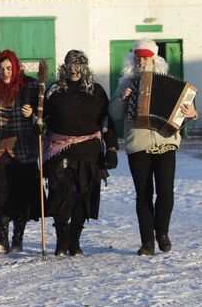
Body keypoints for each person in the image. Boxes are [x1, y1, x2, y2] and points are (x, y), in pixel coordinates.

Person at [109, 39, 198, 256]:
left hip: (166, 142)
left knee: (166, 192)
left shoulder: (168, 82)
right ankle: (147, 242)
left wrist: (192, 114)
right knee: (143, 194)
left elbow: (186, 111)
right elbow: (114, 114)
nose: (141, 62)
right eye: (138, 58)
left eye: (145, 58)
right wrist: (122, 99)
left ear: (153, 59)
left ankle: (163, 233)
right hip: (138, 145)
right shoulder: (127, 84)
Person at [43, 50, 118, 256]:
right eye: (70, 65)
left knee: (82, 199)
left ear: (85, 68)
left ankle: (74, 241)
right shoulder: (54, 91)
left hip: (89, 154)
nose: (74, 70)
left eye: (79, 65)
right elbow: (43, 118)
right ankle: (61, 240)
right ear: (64, 67)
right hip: (60, 152)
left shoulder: (96, 91)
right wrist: (37, 124)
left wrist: (111, 147)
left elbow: (106, 120)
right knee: (60, 196)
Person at [0, 50, 44, 254]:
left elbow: (44, 117)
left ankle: (18, 237)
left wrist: (33, 114)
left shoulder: (31, 86)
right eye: (0, 68)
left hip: (22, 147)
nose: (4, 72)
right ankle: (2, 239)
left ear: (15, 67)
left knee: (21, 194)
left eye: (8, 68)